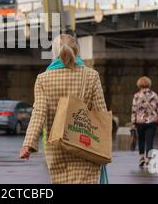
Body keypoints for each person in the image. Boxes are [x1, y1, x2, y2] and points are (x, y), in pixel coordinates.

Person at [19, 34, 108, 184]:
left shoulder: (43, 79)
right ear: (77, 51)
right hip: (85, 143)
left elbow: (39, 113)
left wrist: (28, 144)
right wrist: (104, 147)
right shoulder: (91, 76)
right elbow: (101, 112)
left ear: (54, 53)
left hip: (56, 145)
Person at [131, 76, 158, 167]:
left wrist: (133, 123)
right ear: (149, 84)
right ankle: (148, 159)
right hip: (152, 121)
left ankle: (141, 158)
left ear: (139, 84)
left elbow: (134, 110)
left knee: (141, 139)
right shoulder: (154, 95)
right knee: (149, 141)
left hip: (140, 122)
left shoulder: (136, 96)